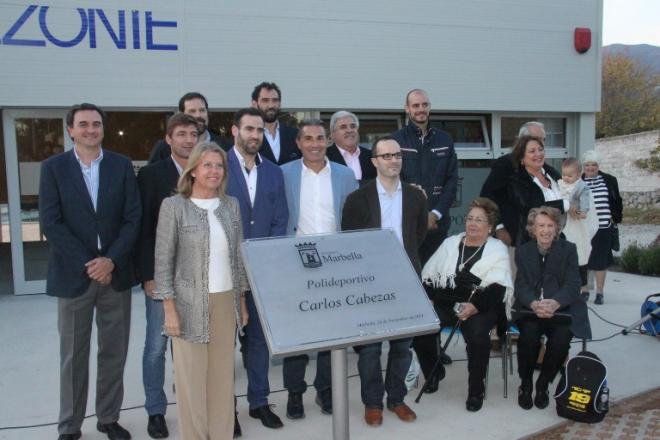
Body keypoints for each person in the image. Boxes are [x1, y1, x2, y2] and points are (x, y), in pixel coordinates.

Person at [39, 103, 141, 440]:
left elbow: (132, 218)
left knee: (114, 352)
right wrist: (91, 264)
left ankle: (109, 418)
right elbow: (51, 223)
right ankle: (70, 425)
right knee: (73, 356)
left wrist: (110, 260)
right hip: (74, 278)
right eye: (83, 124)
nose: (90, 130)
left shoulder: (121, 166)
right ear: (70, 129)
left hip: (115, 275)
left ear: (103, 129)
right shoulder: (53, 168)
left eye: (96, 124)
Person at [154, 142, 249, 439]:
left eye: (219, 165)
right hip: (187, 304)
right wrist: (169, 308)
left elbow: (238, 257)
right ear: (192, 170)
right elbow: (163, 260)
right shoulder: (174, 207)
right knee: (191, 380)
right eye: (207, 165)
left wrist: (242, 301)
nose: (214, 171)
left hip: (226, 302)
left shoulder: (230, 205)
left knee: (222, 379)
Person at [341, 136, 427, 426]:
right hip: (370, 283)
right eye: (386, 156)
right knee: (370, 349)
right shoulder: (357, 199)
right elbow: (350, 243)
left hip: (406, 280)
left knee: (402, 346)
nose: (393, 160)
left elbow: (418, 236)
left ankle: (396, 399)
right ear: (374, 161)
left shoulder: (416, 197)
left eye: (397, 154)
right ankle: (373, 403)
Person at [280, 119, 358, 419]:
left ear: (328, 141)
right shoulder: (283, 174)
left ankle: (325, 392)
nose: (314, 143)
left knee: (330, 334)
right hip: (295, 263)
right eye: (308, 138)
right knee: (296, 334)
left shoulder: (345, 175)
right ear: (298, 143)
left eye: (320, 138)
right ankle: (295, 394)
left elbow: (351, 220)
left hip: (334, 266)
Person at [136, 112, 199, 438]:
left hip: (198, 277)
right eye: (182, 134)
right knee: (156, 347)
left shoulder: (207, 171)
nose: (189, 140)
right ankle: (155, 410)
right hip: (162, 277)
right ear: (169, 140)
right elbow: (143, 229)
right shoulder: (151, 175)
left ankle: (191, 406)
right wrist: (148, 276)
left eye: (193, 134)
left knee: (190, 346)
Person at [226, 108, 288, 429]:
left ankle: (259, 402)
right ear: (234, 130)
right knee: (223, 345)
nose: (254, 136)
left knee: (259, 342)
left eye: (260, 130)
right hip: (223, 274)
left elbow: (280, 221)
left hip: (262, 272)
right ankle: (226, 410)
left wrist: (265, 261)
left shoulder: (274, 173)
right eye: (249, 129)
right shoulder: (216, 166)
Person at [421, 198, 513, 412]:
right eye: (470, 218)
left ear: (489, 226)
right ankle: (433, 373)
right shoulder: (450, 243)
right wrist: (431, 297)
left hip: (481, 305)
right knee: (422, 328)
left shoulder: (497, 249)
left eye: (479, 220)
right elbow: (429, 277)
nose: (472, 223)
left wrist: (473, 306)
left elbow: (498, 289)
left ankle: (475, 389)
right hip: (447, 302)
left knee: (477, 336)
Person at [392, 89, 458, 370]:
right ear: (406, 109)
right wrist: (417, 212)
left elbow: (453, 180)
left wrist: (436, 212)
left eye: (425, 105)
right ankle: (408, 349)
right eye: (415, 105)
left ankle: (431, 349)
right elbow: (393, 179)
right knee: (409, 288)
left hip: (436, 228)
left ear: (430, 108)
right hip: (406, 228)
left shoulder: (444, 140)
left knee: (432, 290)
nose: (421, 109)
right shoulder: (396, 141)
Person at [512, 206, 591, 411]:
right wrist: (533, 303)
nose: (545, 230)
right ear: (533, 229)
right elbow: (520, 285)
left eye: (550, 226)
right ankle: (526, 384)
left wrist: (555, 303)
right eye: (541, 226)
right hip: (531, 310)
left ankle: (543, 383)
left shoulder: (569, 250)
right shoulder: (523, 251)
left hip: (560, 310)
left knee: (562, 339)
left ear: (557, 228)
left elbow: (573, 284)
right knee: (528, 337)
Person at [480, 121, 546, 246]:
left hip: (539, 237)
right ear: (522, 140)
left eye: (543, 139)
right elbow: (486, 196)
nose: (541, 143)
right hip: (513, 236)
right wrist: (499, 227)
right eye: (536, 139)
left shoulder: (545, 169)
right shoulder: (506, 164)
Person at [506, 135, 568, 246]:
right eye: (532, 151)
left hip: (561, 240)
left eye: (540, 150)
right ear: (521, 158)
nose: (538, 154)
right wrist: (565, 205)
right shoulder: (516, 181)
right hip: (533, 244)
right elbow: (530, 208)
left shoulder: (553, 174)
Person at [581, 150, 623, 305]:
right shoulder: (579, 181)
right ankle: (584, 290)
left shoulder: (609, 180)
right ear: (583, 166)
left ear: (598, 166)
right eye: (587, 165)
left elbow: (617, 200)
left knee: (601, 261)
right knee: (584, 260)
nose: (590, 168)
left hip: (604, 227)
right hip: (584, 228)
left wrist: (615, 217)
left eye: (594, 165)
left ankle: (599, 292)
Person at [557, 158, 599, 298]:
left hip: (577, 225)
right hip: (563, 225)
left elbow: (586, 201)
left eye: (570, 175)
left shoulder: (582, 187)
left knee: (579, 254)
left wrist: (583, 212)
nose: (566, 178)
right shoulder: (559, 185)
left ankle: (581, 286)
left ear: (578, 174)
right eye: (564, 174)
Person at [149, 92, 229, 163]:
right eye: (192, 111)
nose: (198, 115)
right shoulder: (164, 147)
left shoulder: (226, 147)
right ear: (181, 114)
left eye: (202, 110)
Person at [251, 81, 301, 165]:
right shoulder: (248, 137)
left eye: (275, 100)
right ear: (254, 104)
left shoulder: (295, 134)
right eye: (265, 100)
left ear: (280, 104)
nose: (271, 105)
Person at [326, 111, 377, 184]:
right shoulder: (324, 158)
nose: (349, 130)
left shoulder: (372, 156)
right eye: (343, 127)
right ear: (333, 134)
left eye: (353, 126)